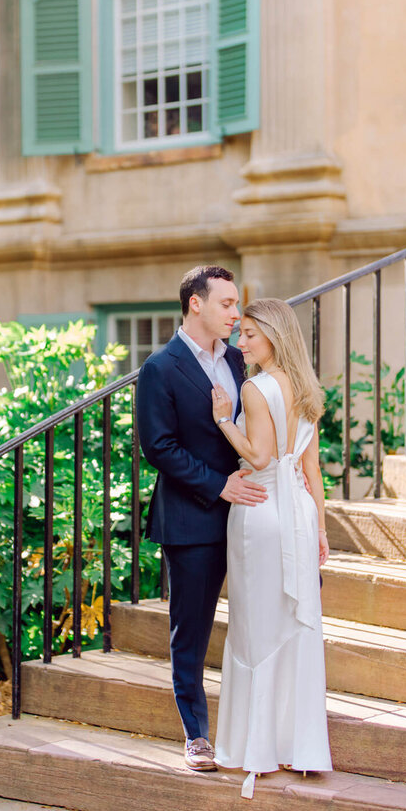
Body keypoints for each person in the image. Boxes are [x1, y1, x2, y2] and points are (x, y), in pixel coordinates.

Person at [136, 266, 268, 772]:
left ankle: (256, 725)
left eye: (237, 305)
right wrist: (218, 485)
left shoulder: (239, 360)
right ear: (196, 303)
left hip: (249, 512)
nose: (237, 315)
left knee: (256, 620)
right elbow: (159, 447)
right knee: (190, 631)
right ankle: (196, 735)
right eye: (227, 304)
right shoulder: (160, 368)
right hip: (192, 520)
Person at [210, 297, 332, 798]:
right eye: (241, 334)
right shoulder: (305, 388)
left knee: (255, 627)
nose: (241, 343)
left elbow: (259, 455)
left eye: (251, 336)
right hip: (299, 515)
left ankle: (254, 748)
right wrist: (322, 528)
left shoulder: (255, 388)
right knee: (293, 624)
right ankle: (295, 745)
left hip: (261, 514)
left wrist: (224, 420)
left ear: (275, 338)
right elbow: (312, 470)